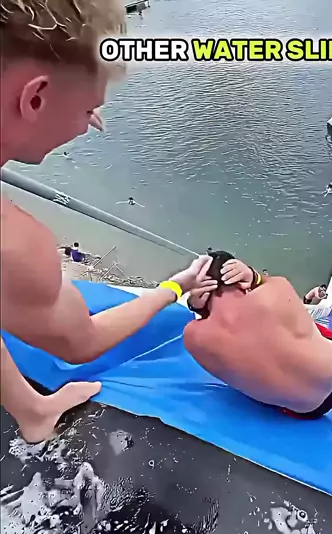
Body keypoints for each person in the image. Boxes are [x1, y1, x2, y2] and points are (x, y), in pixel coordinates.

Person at [0, 0, 217, 442]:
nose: (88, 125)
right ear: (34, 97)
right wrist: (176, 287)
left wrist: (65, 105)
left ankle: (30, 408)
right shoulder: (15, 245)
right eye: (88, 111)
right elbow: (81, 342)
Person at [184, 252, 332, 419]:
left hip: (303, 409)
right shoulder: (276, 289)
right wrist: (254, 276)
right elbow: (259, 283)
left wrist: (197, 307)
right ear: (240, 279)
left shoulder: (192, 337)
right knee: (294, 321)